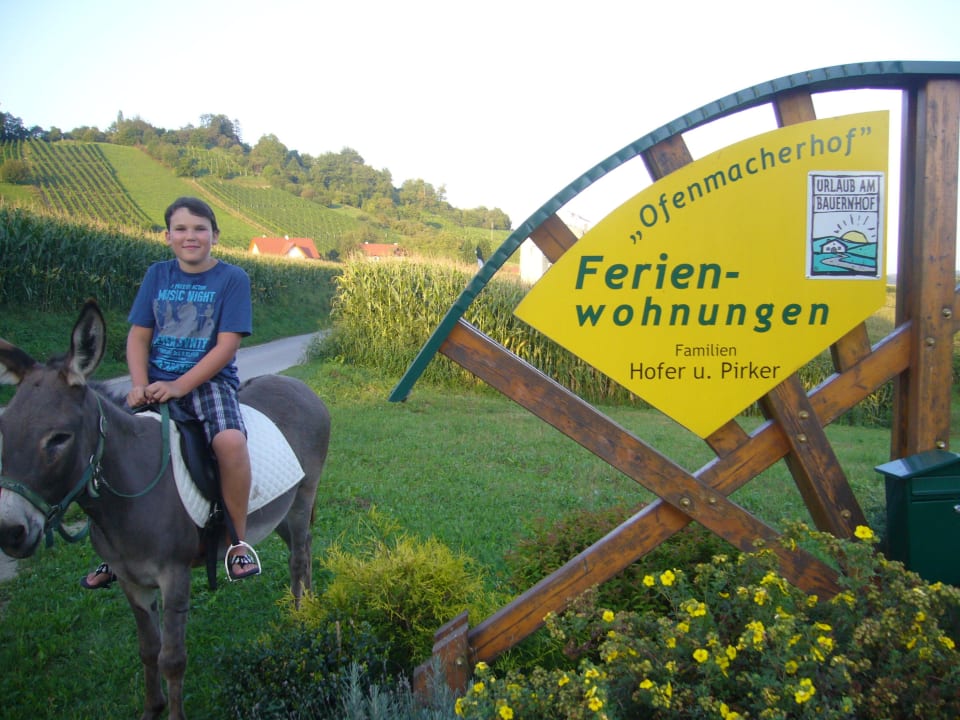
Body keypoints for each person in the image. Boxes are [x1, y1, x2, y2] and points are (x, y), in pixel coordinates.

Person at [81, 196, 259, 588]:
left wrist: (179, 385)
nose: (190, 236)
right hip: (156, 381)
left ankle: (236, 542)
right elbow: (139, 336)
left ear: (215, 235)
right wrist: (139, 383)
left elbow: (226, 346)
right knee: (113, 447)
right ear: (167, 236)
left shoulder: (232, 279)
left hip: (208, 383)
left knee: (230, 442)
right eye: (181, 229)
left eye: (200, 229)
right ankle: (115, 552)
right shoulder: (157, 275)